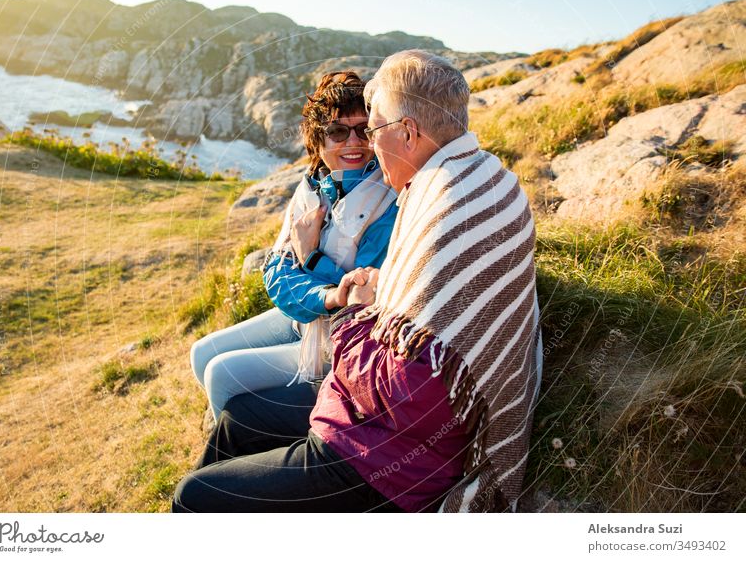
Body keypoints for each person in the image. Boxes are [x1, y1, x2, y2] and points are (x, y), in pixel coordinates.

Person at [173, 50, 543, 513]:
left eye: (373, 128)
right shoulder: (469, 178)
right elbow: (283, 268)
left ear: (406, 132)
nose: (365, 142)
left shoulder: (435, 207)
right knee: (237, 419)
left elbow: (406, 387)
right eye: (343, 132)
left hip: (389, 453)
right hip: (378, 412)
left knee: (193, 496)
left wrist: (350, 308)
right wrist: (349, 294)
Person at [188, 71, 398, 421]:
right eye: (337, 132)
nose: (353, 142)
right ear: (318, 142)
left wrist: (312, 258)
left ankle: (239, 447)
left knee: (221, 373)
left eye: (364, 130)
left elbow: (362, 297)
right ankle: (240, 431)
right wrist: (320, 289)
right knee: (201, 352)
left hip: (341, 335)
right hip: (305, 316)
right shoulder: (312, 189)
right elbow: (276, 273)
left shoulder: (387, 199)